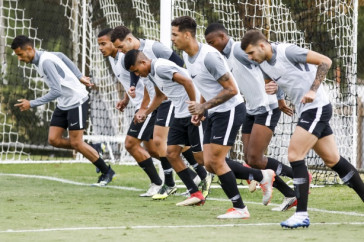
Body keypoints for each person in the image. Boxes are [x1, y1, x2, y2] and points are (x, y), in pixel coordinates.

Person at [241, 29, 364, 228]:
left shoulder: (287, 51)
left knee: (295, 154)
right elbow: (274, 82)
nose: (249, 57)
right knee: (333, 159)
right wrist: (277, 94)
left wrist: (313, 90)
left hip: (317, 108)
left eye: (251, 52)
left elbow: (325, 61)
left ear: (262, 46)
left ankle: (301, 214)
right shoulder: (262, 63)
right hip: (305, 110)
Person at [171, 16, 276, 219]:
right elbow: (205, 84)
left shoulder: (209, 57)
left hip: (229, 110)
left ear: (186, 35)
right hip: (214, 112)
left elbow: (231, 89)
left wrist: (203, 107)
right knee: (208, 163)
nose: (172, 39)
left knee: (217, 161)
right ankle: (262, 176)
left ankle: (240, 208)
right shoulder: (187, 56)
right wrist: (201, 110)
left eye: (175, 35)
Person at [204, 23, 298, 211]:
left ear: (223, 36)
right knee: (250, 158)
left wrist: (278, 96)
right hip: (251, 108)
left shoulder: (238, 50)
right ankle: (289, 193)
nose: (211, 46)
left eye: (212, 42)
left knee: (255, 157)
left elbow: (265, 64)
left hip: (267, 106)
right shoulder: (222, 56)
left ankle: (297, 176)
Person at [110, 26, 210, 199]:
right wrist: (145, 110)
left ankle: (178, 181)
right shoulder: (144, 68)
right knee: (165, 148)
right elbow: (155, 90)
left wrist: (193, 102)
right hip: (161, 100)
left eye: (120, 47)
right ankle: (195, 183)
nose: (119, 51)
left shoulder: (154, 51)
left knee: (164, 144)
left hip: (175, 101)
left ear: (129, 39)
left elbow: (180, 70)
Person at [11, 35, 115, 186]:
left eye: (20, 54)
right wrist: (79, 76)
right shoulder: (41, 56)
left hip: (76, 100)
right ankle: (93, 148)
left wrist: (31, 103)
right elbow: (61, 56)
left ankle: (107, 171)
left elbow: (56, 91)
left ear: (29, 49)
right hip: (64, 103)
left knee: (77, 143)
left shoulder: (45, 62)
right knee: (54, 140)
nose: (19, 59)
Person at [98, 28, 165, 196]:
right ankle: (193, 175)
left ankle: (158, 183)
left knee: (130, 144)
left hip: (148, 105)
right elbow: (132, 84)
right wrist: (126, 100)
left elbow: (144, 83)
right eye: (99, 44)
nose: (101, 48)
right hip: (142, 105)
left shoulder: (124, 58)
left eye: (104, 44)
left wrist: (143, 108)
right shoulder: (115, 59)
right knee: (152, 150)